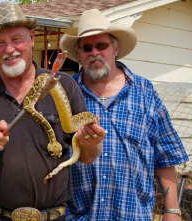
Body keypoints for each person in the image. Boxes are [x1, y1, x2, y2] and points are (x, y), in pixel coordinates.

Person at [0, 2, 105, 221]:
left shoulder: (63, 85)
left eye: (16, 39)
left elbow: (88, 157)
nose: (9, 49)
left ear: (31, 37)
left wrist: (91, 144)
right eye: (0, 42)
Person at [59, 9, 189, 221]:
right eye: (87, 47)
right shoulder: (65, 92)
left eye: (101, 45)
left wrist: (171, 211)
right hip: (79, 216)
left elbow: (165, 155)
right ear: (80, 54)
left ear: (115, 49)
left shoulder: (144, 92)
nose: (94, 52)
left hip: (132, 215)